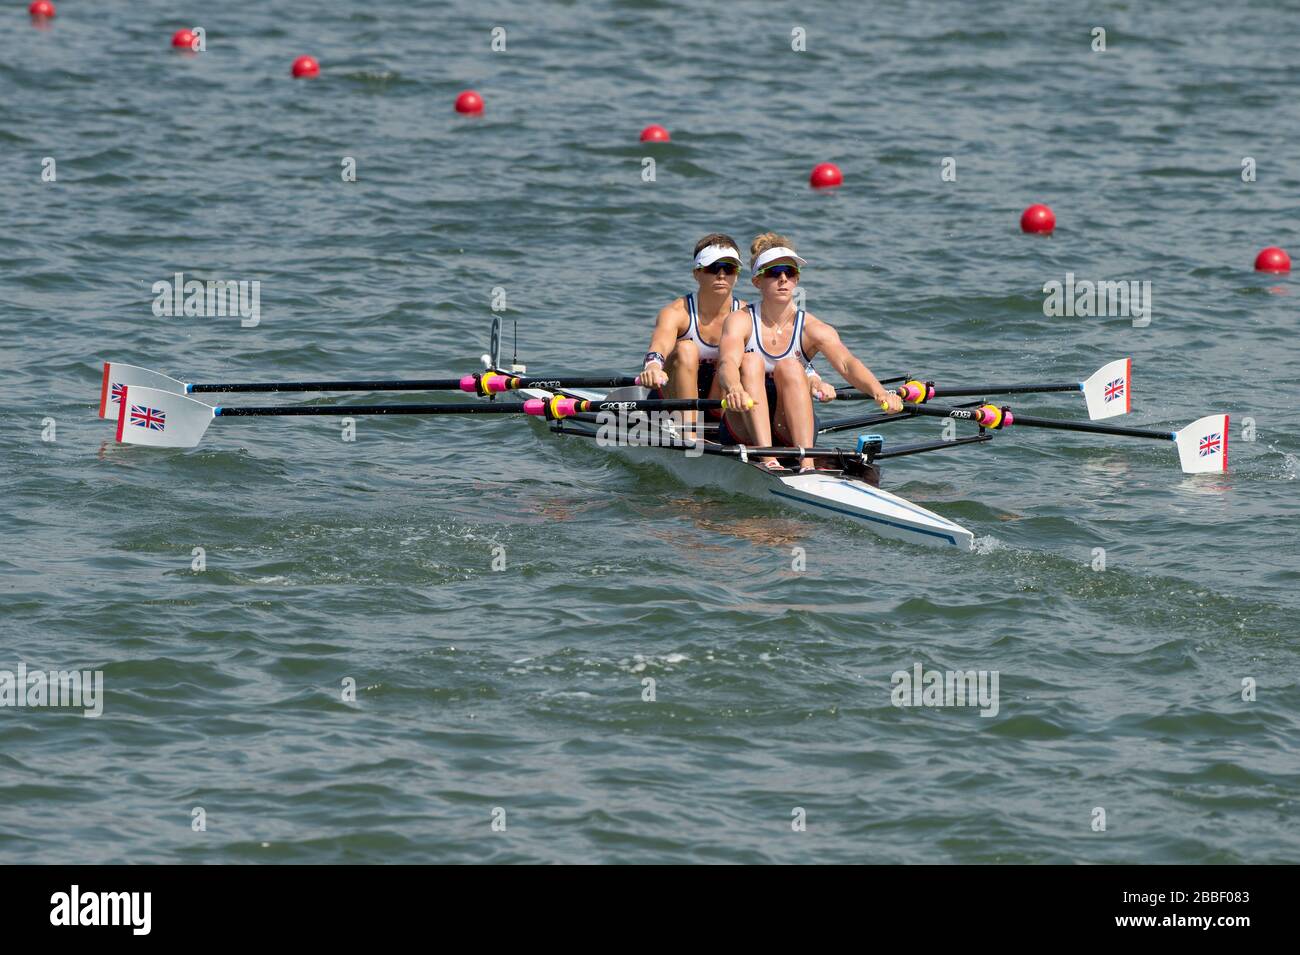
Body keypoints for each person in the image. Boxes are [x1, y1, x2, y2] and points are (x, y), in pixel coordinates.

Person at [715, 233, 904, 472]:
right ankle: (767, 460)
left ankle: (807, 464)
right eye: (774, 273)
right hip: (743, 424)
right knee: (750, 361)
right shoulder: (739, 321)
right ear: (757, 282)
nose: (783, 279)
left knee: (791, 366)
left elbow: (846, 363)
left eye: (790, 272)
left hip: (788, 426)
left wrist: (880, 393)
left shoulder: (813, 328)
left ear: (796, 280)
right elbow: (727, 364)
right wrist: (734, 389)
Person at [638, 234, 828, 438]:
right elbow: (658, 347)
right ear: (696, 273)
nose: (721, 275)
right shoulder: (676, 313)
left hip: (722, 404)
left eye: (728, 268)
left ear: (736, 274)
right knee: (687, 349)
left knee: (733, 354)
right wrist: (653, 367)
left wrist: (813, 378)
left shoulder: (746, 315)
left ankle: (730, 431)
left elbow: (788, 353)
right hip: (671, 405)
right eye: (712, 268)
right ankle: (690, 436)